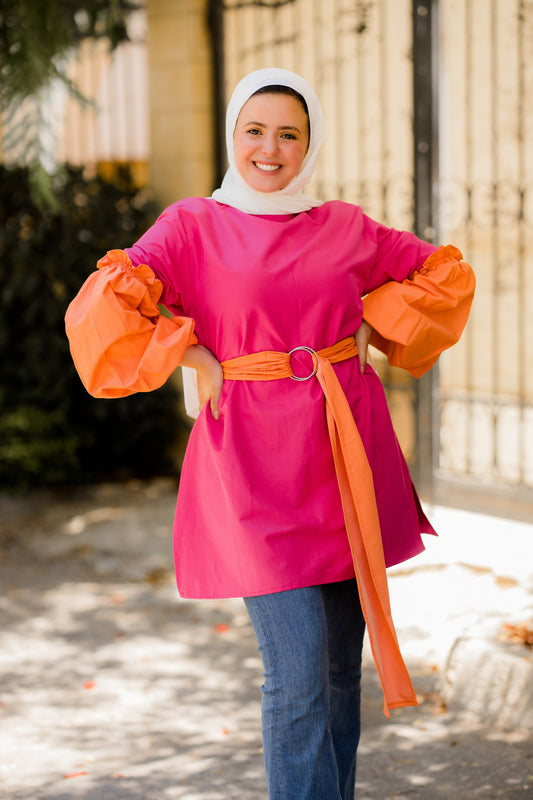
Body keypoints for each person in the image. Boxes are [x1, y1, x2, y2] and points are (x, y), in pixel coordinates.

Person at [65, 68, 475, 800]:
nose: (270, 148)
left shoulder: (345, 225)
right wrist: (186, 350)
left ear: (308, 143)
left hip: (344, 453)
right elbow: (105, 306)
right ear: (232, 135)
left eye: (289, 133)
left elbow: (440, 276)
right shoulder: (192, 225)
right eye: (254, 130)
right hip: (251, 468)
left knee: (338, 675)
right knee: (296, 676)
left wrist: (376, 324)